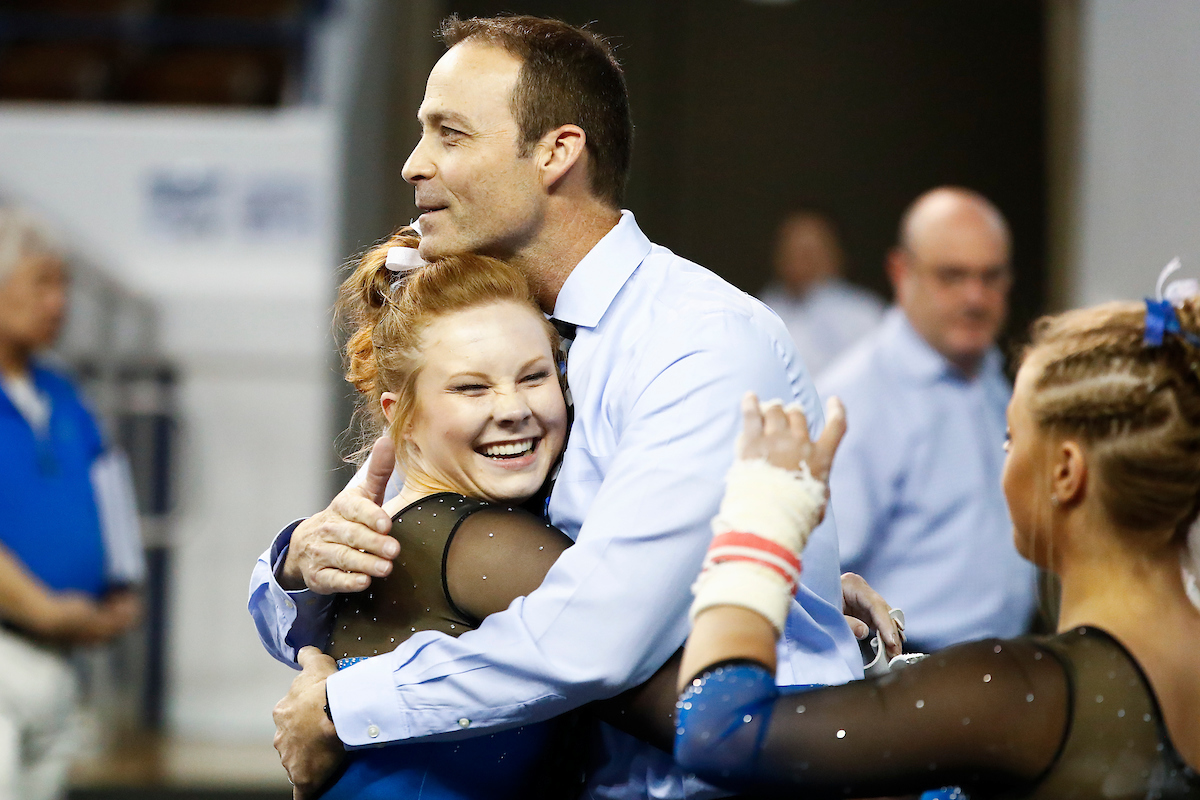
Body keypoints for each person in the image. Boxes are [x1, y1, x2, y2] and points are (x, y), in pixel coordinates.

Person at [250, 15, 899, 799]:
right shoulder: (488, 314)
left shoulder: (699, 341)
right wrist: (294, 565)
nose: (414, 163)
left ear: (556, 152)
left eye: (450, 134)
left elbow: (599, 634)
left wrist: (346, 708)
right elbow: (392, 566)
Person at [674, 298, 1200, 798]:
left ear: (1065, 472)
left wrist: (761, 532)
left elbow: (719, 732)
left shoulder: (1017, 692)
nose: (1004, 456)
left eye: (1012, 437)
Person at [818, 187, 1036, 652]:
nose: (975, 297)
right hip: (905, 672)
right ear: (901, 273)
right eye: (952, 276)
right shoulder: (855, 398)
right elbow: (822, 568)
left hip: (1005, 666)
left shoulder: (997, 378)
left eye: (990, 276)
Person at [0, 207, 141, 800]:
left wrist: (123, 587)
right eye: (42, 282)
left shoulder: (60, 391)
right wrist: (45, 609)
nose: (59, 302)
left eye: (65, 285)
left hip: (56, 654)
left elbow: (109, 486)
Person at [757, 209, 884, 377]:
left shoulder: (864, 313)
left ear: (835, 255)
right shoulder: (760, 309)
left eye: (808, 253)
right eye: (793, 250)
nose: (800, 262)